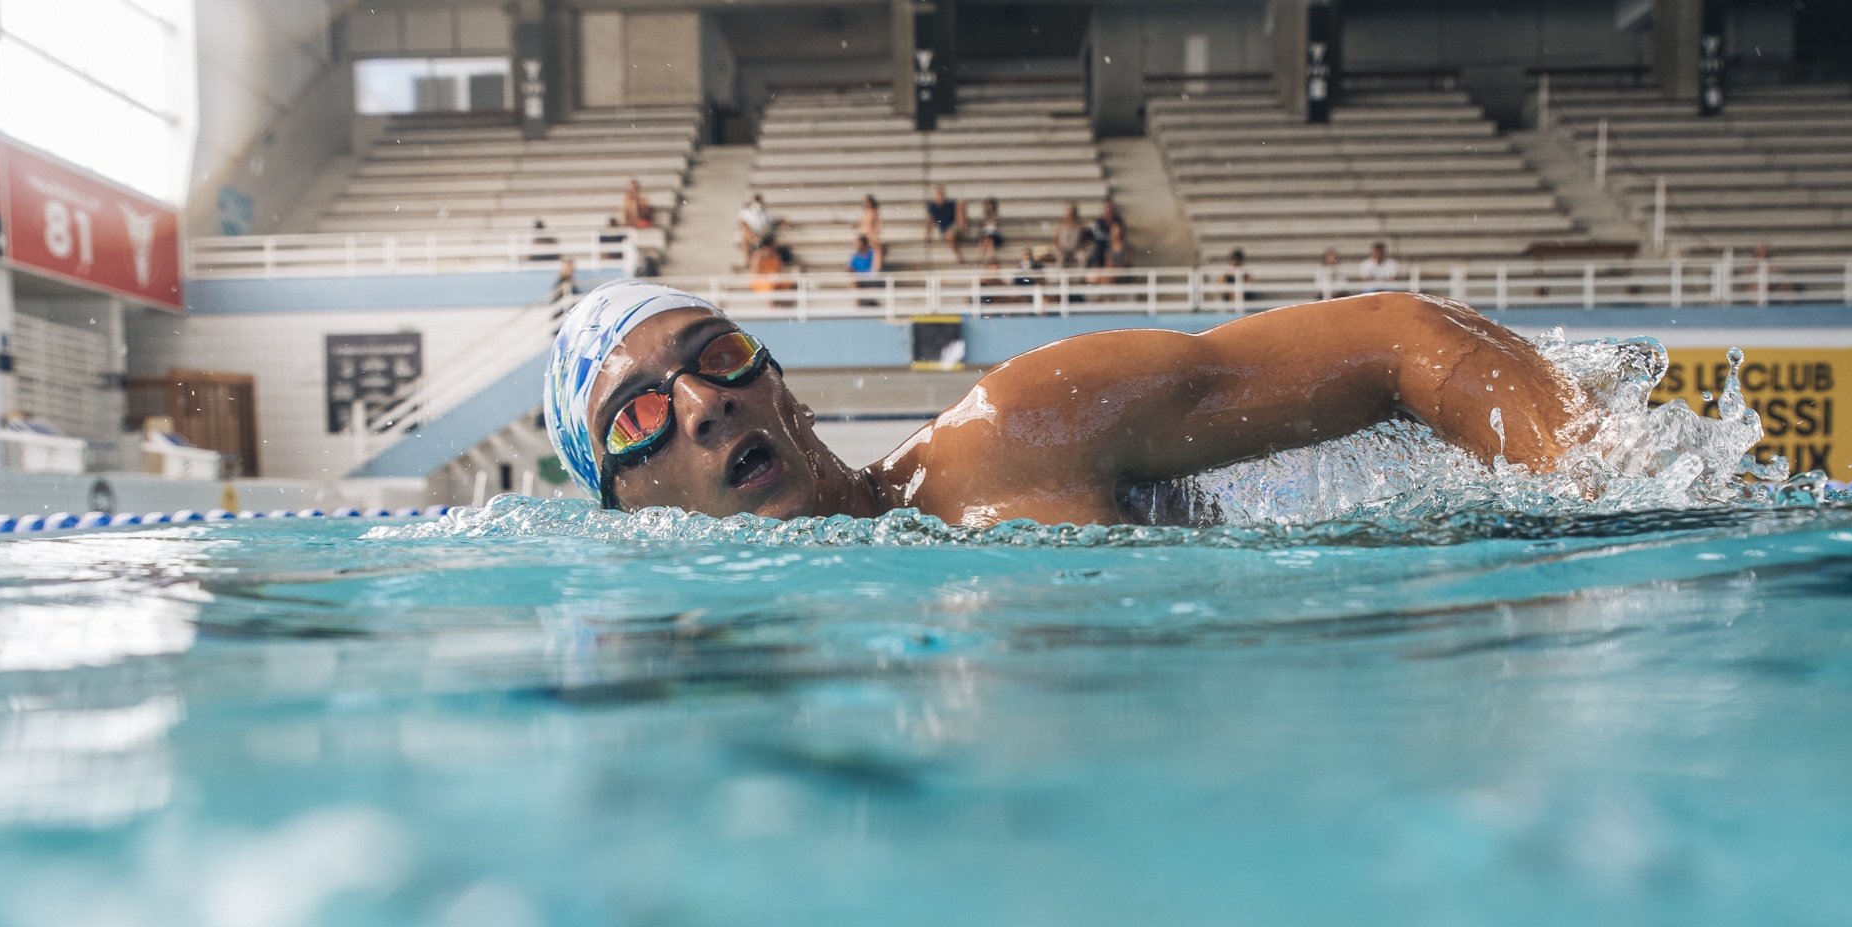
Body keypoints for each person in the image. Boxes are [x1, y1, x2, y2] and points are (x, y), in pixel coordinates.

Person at [541, 280, 1587, 528]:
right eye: (634, 414)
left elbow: (1399, 339)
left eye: (716, 357)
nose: (699, 405)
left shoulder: (1015, 434)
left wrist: (1591, 501)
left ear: (786, 392)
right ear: (626, 510)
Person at [924, 185, 961, 262]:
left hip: (953, 225)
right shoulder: (933, 207)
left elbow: (959, 206)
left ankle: (958, 256)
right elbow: (931, 220)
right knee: (949, 235)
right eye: (938, 195)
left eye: (941, 195)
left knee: (950, 234)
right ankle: (958, 255)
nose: (940, 197)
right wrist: (928, 234)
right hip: (945, 229)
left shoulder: (950, 204)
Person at [737, 193, 777, 259]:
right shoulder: (746, 213)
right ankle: (747, 258)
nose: (757, 204)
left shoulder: (768, 213)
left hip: (764, 235)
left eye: (758, 201)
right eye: (755, 201)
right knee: (745, 235)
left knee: (771, 240)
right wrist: (752, 238)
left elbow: (775, 221)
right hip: (751, 235)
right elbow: (743, 224)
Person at [1053, 203, 1087, 268]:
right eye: (1068, 213)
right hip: (1064, 250)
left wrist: (1082, 248)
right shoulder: (1061, 226)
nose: (1069, 215)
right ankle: (1062, 276)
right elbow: (1055, 240)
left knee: (1083, 256)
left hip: (1076, 250)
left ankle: (1082, 276)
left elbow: (1084, 239)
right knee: (1059, 256)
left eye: (1071, 213)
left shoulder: (1080, 226)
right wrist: (1059, 249)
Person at [975, 197, 1003, 263]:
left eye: (989, 205)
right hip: (985, 233)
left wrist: (992, 217)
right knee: (984, 239)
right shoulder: (983, 216)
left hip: (994, 234)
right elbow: (982, 225)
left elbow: (996, 225)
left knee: (989, 239)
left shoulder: (996, 215)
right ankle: (981, 256)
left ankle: (992, 255)